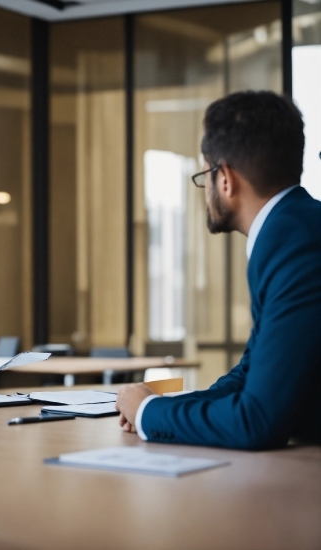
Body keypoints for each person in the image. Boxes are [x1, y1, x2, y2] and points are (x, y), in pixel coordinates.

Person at [116, 91, 321, 450]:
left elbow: (255, 421)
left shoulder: (291, 241)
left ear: (224, 178)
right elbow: (251, 371)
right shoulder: (296, 225)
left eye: (205, 173)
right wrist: (160, 407)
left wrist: (148, 412)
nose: (206, 187)